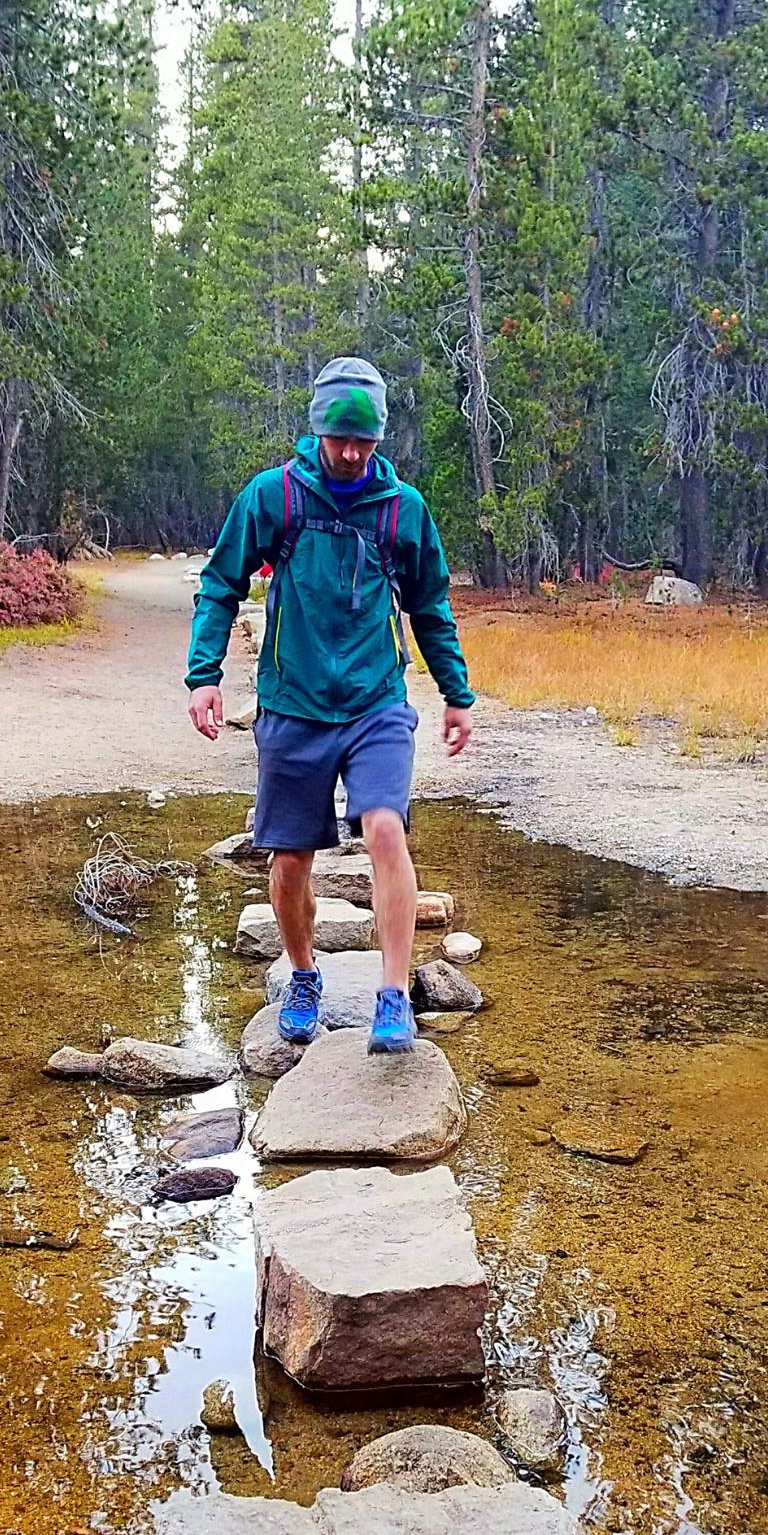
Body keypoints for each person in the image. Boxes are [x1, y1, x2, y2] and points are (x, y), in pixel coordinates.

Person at [185, 357, 474, 1055]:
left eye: (363, 443)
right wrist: (204, 675)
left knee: (383, 830)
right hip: (293, 704)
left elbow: (429, 606)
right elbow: (220, 584)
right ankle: (305, 973)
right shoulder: (274, 496)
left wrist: (456, 694)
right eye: (339, 440)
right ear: (315, 431)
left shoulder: (403, 510)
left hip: (375, 701)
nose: (349, 455)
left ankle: (392, 995)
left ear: (379, 438)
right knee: (288, 861)